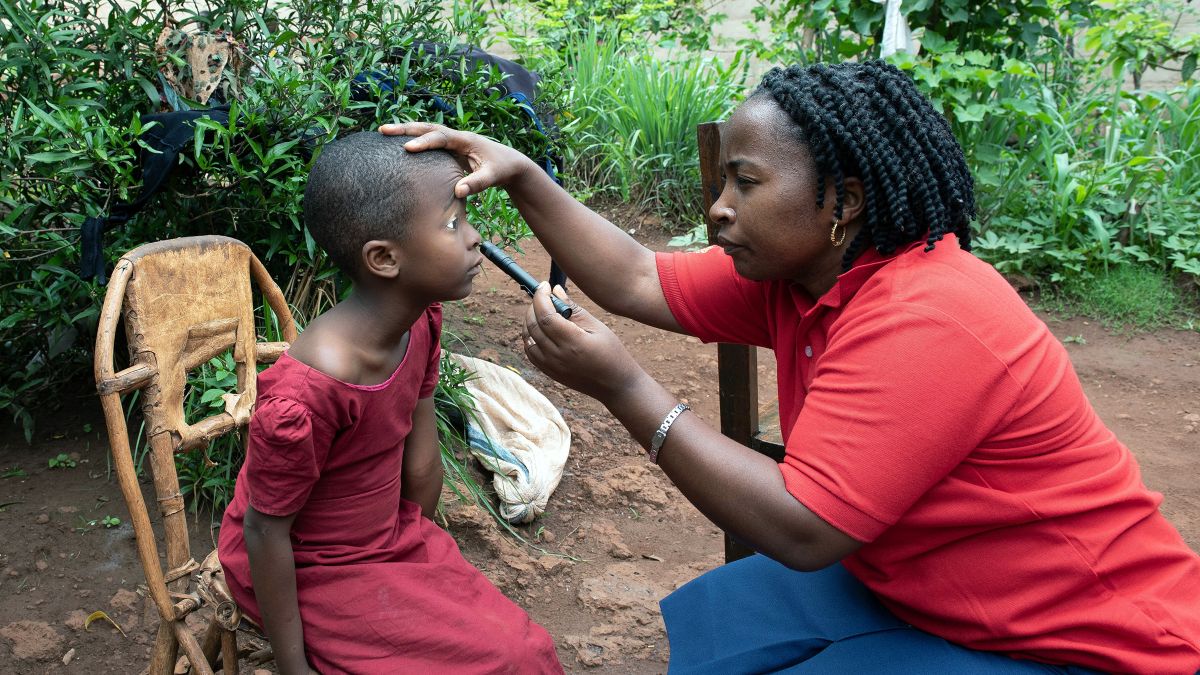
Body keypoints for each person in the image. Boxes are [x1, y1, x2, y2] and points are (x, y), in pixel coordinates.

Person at [381, 60, 1200, 673]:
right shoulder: (802, 277)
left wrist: (625, 386)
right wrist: (522, 173)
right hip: (925, 584)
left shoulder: (931, 317)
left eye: (745, 182)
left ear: (842, 202)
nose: (718, 207)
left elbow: (805, 527)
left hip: (1088, 634)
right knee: (725, 622)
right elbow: (634, 276)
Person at [217, 131, 563, 674]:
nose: (477, 240)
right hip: (308, 566)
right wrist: (294, 667)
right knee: (509, 663)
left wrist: (414, 570)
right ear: (383, 258)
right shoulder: (309, 394)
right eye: (454, 224)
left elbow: (421, 465)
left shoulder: (420, 321)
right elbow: (264, 531)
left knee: (527, 651)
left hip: (385, 538)